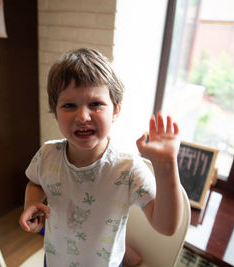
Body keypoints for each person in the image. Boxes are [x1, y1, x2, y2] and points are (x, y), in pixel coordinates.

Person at [19, 48, 183, 267]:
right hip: (54, 260)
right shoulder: (47, 154)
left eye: (95, 104)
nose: (83, 116)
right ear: (55, 111)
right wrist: (32, 203)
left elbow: (167, 226)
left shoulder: (128, 169)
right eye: (69, 105)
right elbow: (35, 182)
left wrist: (167, 168)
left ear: (116, 110)